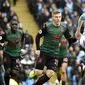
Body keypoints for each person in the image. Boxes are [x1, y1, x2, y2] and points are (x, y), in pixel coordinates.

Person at [29, 10, 78, 85]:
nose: (58, 18)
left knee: (50, 73)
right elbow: (37, 37)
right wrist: (38, 49)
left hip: (54, 54)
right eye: (56, 17)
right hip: (44, 51)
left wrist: (77, 38)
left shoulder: (64, 27)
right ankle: (35, 71)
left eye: (59, 17)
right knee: (39, 73)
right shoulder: (47, 26)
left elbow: (70, 40)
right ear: (52, 18)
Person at [3, 20, 24, 85]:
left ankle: (17, 83)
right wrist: (4, 43)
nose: (14, 26)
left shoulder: (21, 32)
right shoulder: (6, 33)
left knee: (14, 72)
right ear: (10, 25)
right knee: (7, 71)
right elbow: (1, 41)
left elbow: (23, 40)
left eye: (16, 24)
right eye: (13, 24)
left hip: (16, 54)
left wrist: (22, 48)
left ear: (17, 26)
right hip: (7, 53)